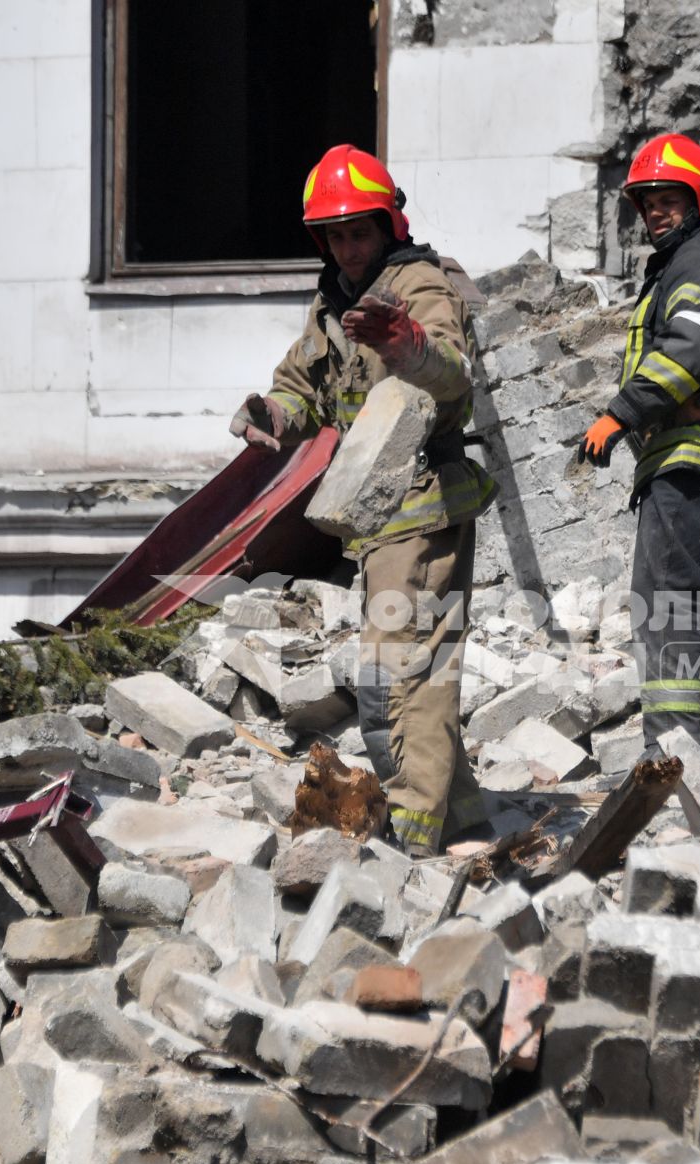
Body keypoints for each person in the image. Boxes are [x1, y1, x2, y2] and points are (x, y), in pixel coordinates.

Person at [231, 144, 494, 857]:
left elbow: (450, 373)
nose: (349, 247)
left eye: (360, 232)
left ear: (388, 226)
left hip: (425, 508)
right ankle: (463, 815)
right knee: (407, 666)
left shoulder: (418, 284)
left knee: (401, 669)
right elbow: (300, 386)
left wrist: (408, 343)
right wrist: (273, 413)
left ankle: (411, 836)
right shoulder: (330, 303)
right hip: (378, 521)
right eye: (336, 235)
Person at [577, 133, 700, 778]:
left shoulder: (697, 260)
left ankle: (669, 761)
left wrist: (620, 414)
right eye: (647, 202)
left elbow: (691, 349)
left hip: (691, 463)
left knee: (664, 611)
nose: (656, 212)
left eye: (669, 199)